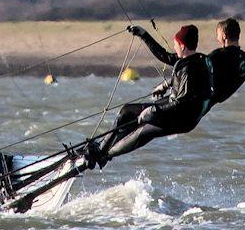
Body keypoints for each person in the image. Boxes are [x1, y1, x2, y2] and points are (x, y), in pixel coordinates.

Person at [85, 25, 213, 169]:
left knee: (143, 130)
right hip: (179, 113)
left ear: (182, 46)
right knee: (127, 112)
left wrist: (152, 111)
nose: (174, 46)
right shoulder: (196, 59)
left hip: (179, 118)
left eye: (176, 44)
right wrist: (143, 35)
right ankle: (102, 148)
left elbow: (181, 101)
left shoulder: (189, 68)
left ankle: (103, 155)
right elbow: (164, 55)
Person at [133, 18, 245, 108]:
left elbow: (175, 61)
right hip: (205, 103)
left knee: (140, 111)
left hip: (193, 103)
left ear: (224, 36)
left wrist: (164, 86)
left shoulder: (220, 55)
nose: (217, 38)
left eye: (218, 35)